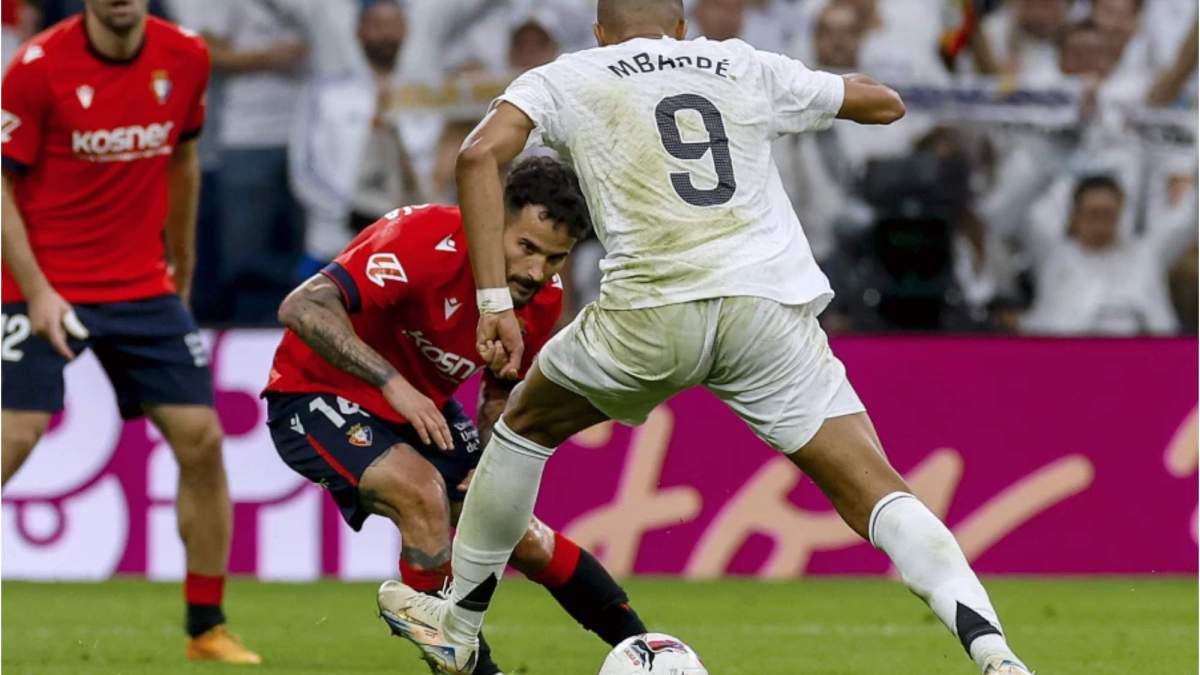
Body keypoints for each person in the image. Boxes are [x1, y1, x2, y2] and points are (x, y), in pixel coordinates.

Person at [383, 2, 1034, 674]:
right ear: (681, 28)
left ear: (600, 33)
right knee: (879, 491)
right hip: (765, 311)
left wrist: (494, 301)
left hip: (650, 310)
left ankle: (459, 625)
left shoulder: (568, 75)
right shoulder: (739, 63)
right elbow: (883, 104)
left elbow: (478, 154)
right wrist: (829, 88)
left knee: (523, 427)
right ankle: (997, 654)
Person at [263, 157, 647, 675]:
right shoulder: (423, 237)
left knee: (516, 530)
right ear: (494, 220)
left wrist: (491, 459)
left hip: (421, 410)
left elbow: (500, 389)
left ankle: (648, 650)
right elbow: (301, 308)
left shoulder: (541, 300)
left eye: (554, 258)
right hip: (314, 391)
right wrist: (393, 385)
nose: (536, 271)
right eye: (526, 247)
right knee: (422, 496)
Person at [0, 0, 259, 664]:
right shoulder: (35, 67)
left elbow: (183, 160)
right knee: (15, 435)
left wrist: (184, 264)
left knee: (202, 439)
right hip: (40, 281)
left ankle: (206, 627)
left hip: (141, 284)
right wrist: (37, 291)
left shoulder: (187, 55)